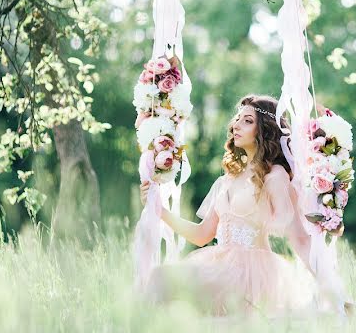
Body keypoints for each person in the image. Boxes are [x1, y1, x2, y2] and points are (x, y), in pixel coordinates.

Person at [138, 94, 341, 316]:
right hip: (219, 264)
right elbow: (201, 235)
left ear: (264, 129)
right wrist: (160, 210)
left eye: (248, 121)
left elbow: (299, 238)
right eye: (238, 118)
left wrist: (332, 288)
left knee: (162, 281)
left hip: (250, 273)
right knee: (160, 281)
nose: (237, 125)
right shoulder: (226, 180)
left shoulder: (274, 176)